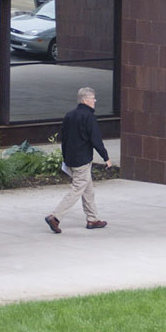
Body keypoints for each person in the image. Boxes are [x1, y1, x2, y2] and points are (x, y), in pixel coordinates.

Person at [45, 87, 111, 233]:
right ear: (85, 100)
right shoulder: (89, 117)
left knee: (88, 190)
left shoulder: (69, 116)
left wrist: (65, 158)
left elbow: (65, 139)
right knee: (77, 188)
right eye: (93, 98)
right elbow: (96, 140)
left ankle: (92, 219)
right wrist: (106, 157)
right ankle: (55, 217)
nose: (95, 101)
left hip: (71, 158)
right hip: (82, 160)